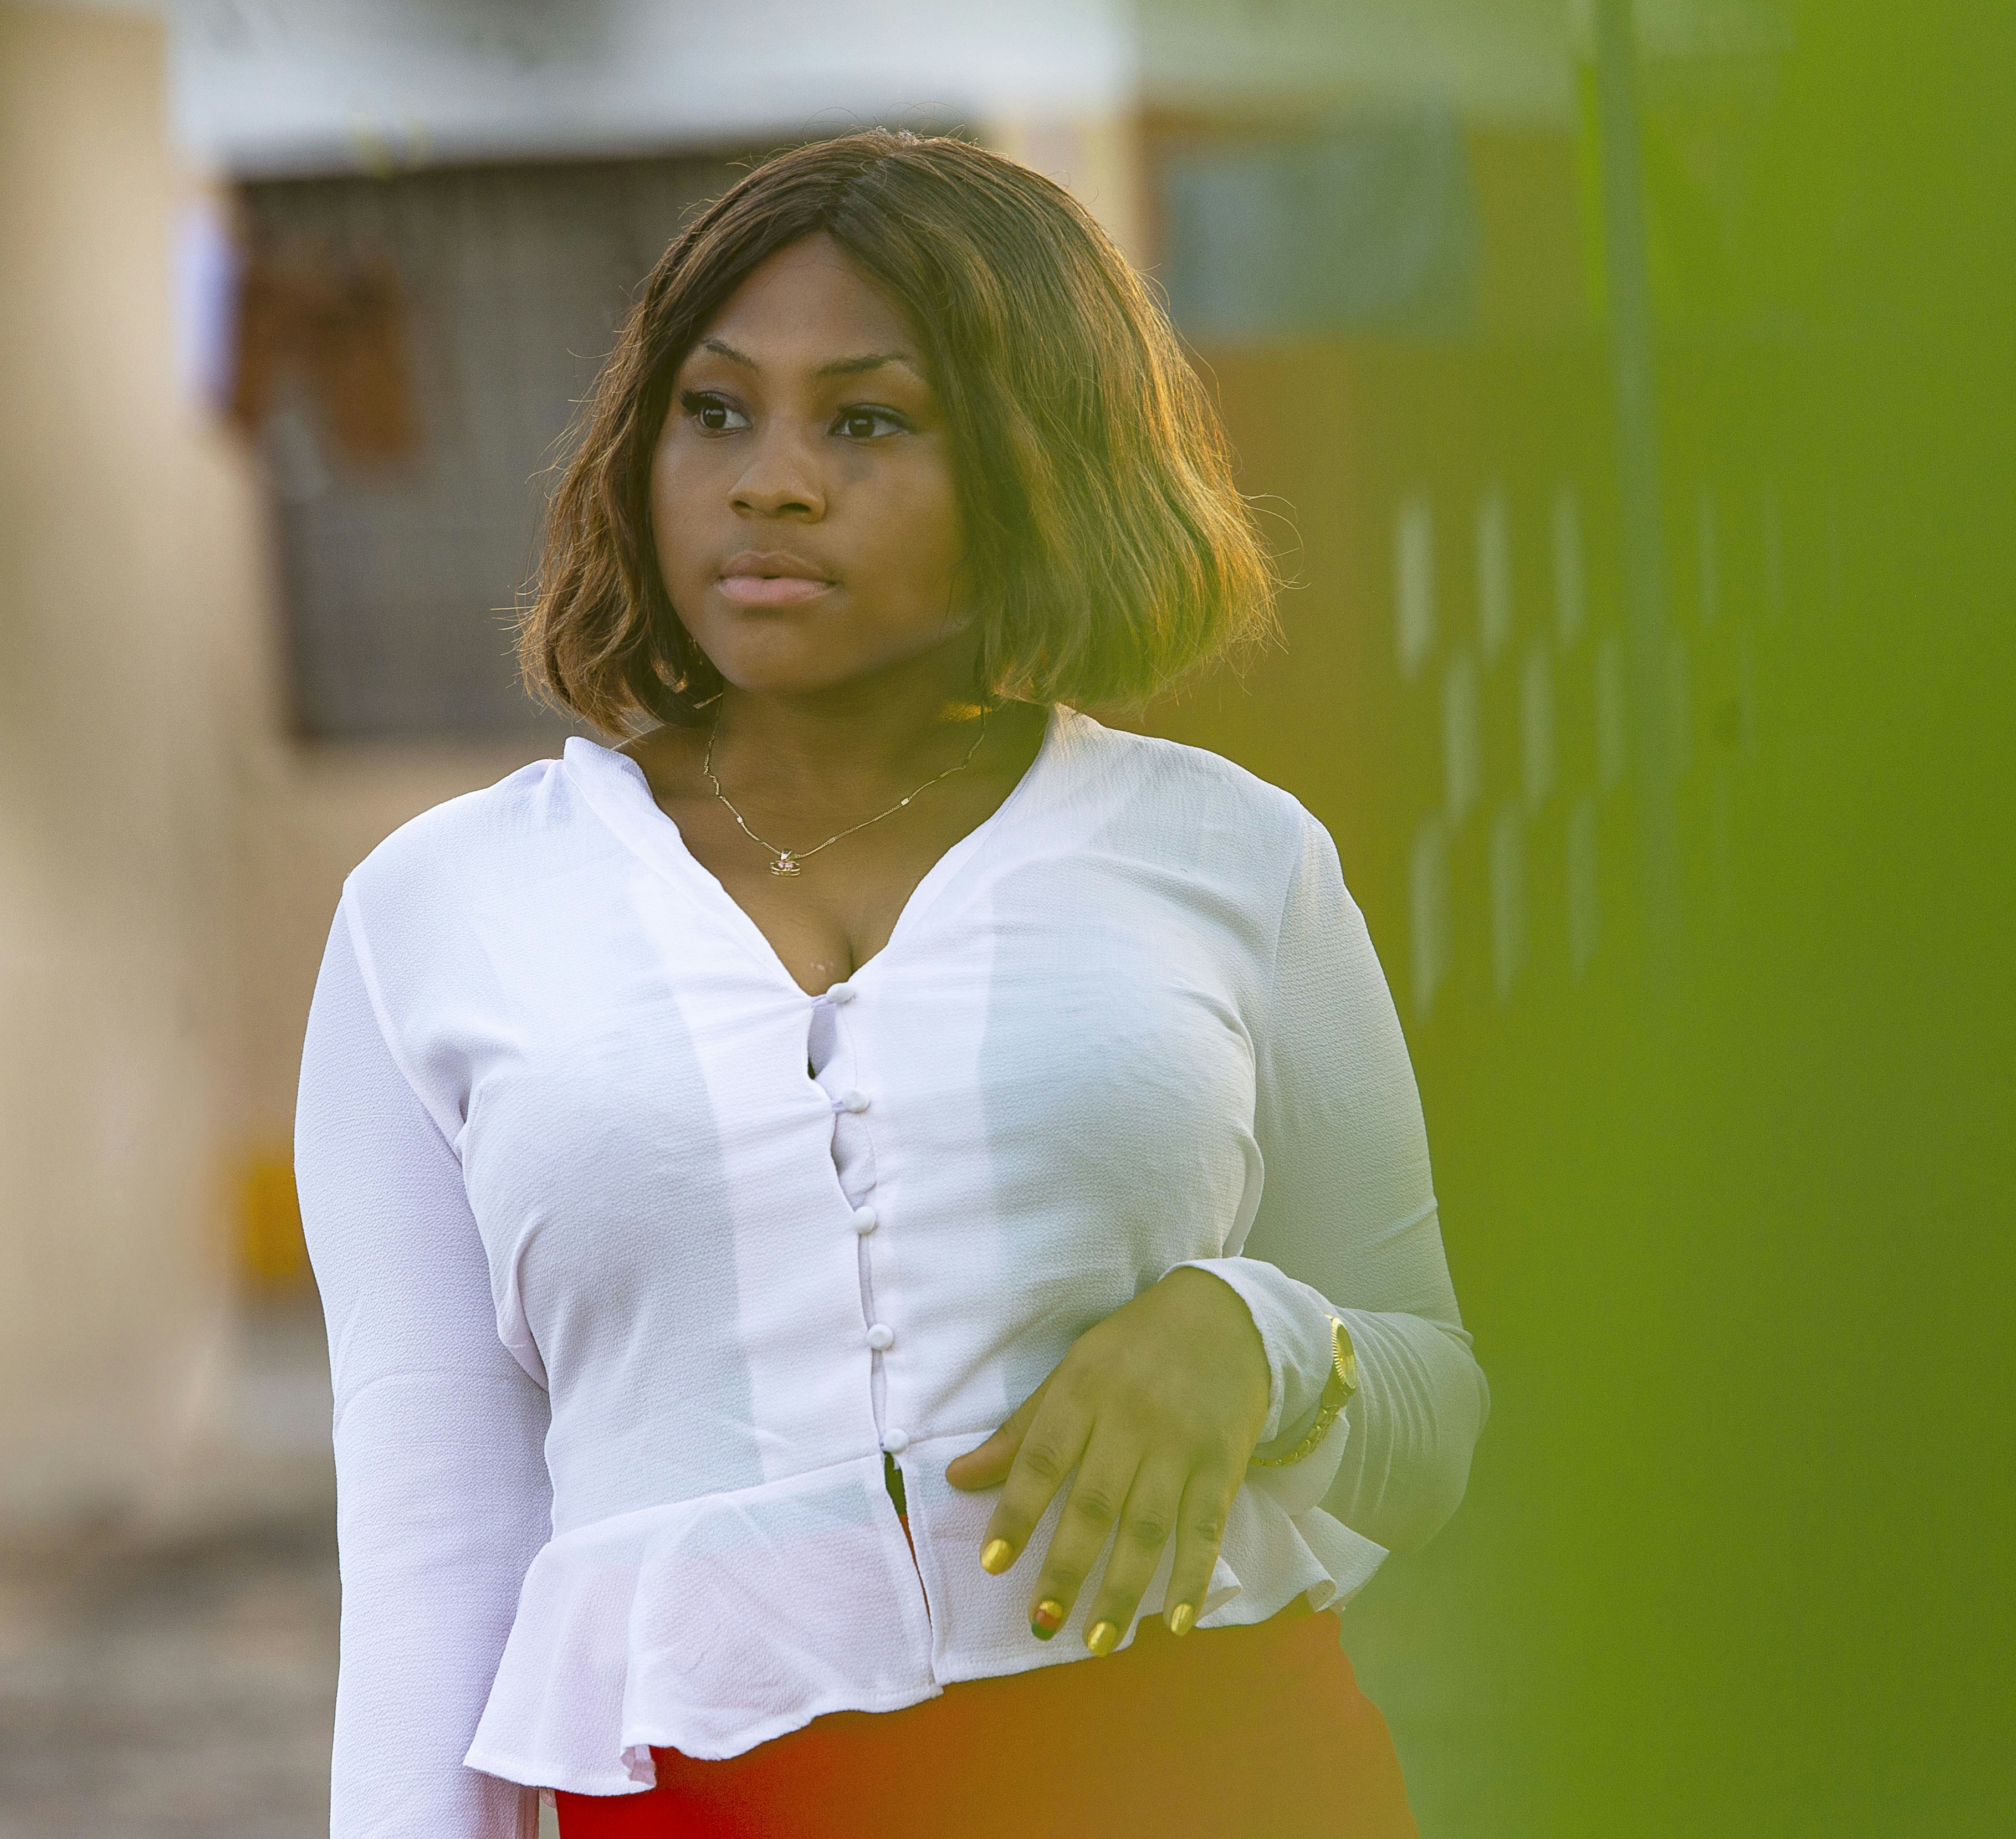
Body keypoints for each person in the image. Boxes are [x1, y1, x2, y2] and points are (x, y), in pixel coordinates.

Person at [294, 130, 1488, 1839]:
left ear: (1038, 465)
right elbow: (436, 1544)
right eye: (717, 412)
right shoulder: (442, 913)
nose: (772, 483)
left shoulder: (1236, 858)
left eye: (868, 423)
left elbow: (1433, 1411)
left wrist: (1260, 1336)